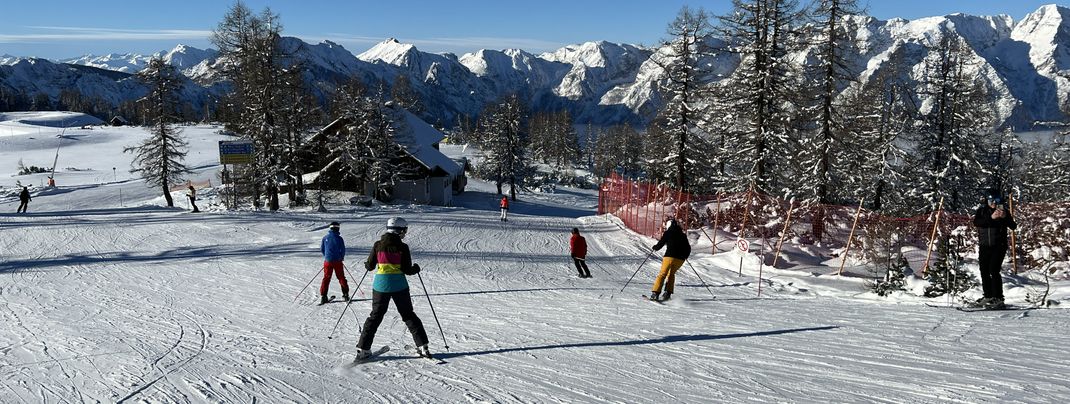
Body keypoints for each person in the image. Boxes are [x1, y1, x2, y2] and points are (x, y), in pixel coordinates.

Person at [357, 217, 431, 359]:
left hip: (381, 286)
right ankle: (423, 346)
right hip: (399, 286)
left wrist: (367, 264)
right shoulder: (403, 247)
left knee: (375, 316)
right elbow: (407, 270)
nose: (405, 233)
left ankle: (363, 349)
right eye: (405, 231)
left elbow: (370, 266)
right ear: (400, 231)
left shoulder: (378, 245)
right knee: (408, 315)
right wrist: (415, 268)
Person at [973, 190, 1017, 309]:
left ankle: (998, 297)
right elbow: (977, 222)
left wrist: (1004, 217)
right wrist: (991, 217)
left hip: (999, 246)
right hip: (984, 245)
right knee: (984, 271)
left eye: (996, 201)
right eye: (991, 201)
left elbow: (1013, 226)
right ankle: (988, 296)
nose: (993, 203)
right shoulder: (981, 211)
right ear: (987, 201)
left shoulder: (1004, 212)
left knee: (994, 270)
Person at [649, 218, 691, 301]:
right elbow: (688, 248)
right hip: (680, 259)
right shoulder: (683, 235)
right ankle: (667, 293)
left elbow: (661, 242)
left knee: (663, 274)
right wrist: (685, 256)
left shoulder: (668, 233)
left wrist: (655, 248)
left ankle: (655, 293)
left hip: (670, 257)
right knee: (671, 274)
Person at [320, 221, 350, 304]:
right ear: (337, 228)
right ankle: (346, 294)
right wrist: (341, 257)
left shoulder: (325, 237)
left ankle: (323, 296)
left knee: (326, 278)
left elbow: (322, 249)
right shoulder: (339, 238)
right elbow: (343, 250)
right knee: (341, 277)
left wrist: (327, 257)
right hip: (337, 261)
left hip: (328, 262)